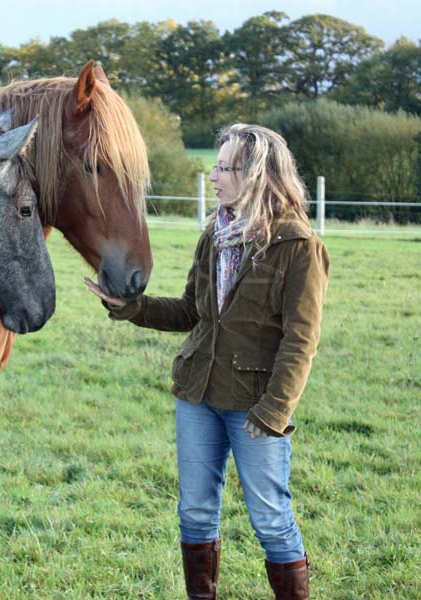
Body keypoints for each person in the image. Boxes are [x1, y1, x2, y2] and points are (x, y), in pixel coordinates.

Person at [86, 123, 329, 600]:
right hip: (197, 397)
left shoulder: (299, 247)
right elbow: (191, 312)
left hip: (256, 409)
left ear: (256, 173)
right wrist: (129, 306)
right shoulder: (214, 236)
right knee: (195, 512)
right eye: (215, 166)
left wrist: (274, 411)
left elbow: (301, 341)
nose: (213, 176)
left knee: (271, 521)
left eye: (223, 167)